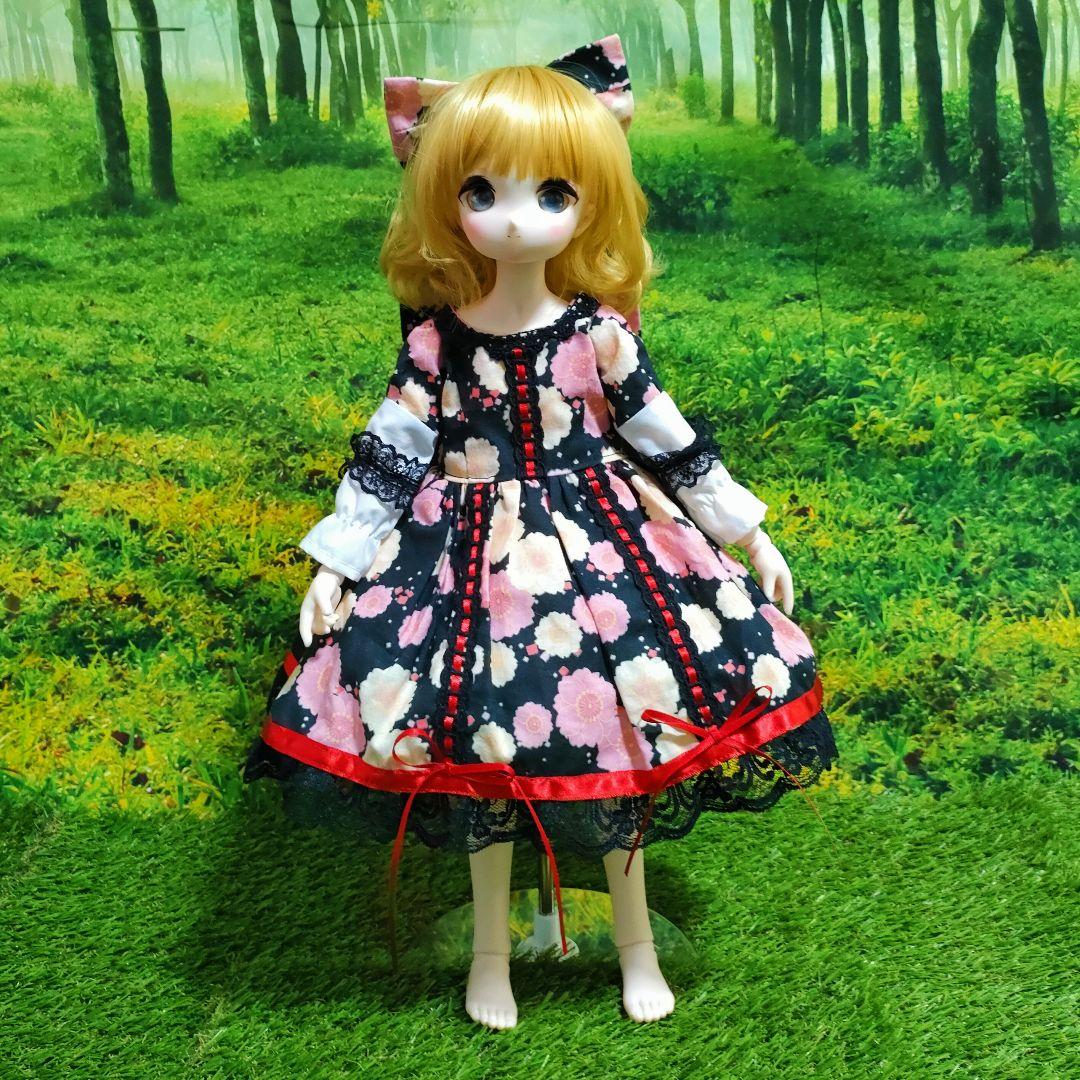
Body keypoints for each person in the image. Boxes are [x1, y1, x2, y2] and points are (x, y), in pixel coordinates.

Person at [244, 34, 838, 1029]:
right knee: (479, 758)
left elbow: (666, 436)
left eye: (552, 193)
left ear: (588, 200)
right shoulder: (438, 340)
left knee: (624, 745)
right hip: (465, 564)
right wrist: (338, 560)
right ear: (444, 198)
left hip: (605, 554)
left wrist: (745, 532)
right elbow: (393, 448)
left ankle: (637, 947)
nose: (516, 217)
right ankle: (491, 960)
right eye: (481, 191)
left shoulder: (598, 334)